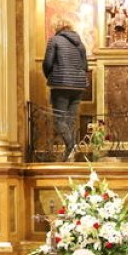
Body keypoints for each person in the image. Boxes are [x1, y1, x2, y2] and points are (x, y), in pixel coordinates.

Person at [42, 18, 90, 158]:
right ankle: (70, 154)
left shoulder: (54, 40)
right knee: (70, 120)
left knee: (59, 120)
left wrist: (50, 76)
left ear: (56, 27)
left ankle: (71, 146)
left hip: (61, 84)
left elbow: (48, 63)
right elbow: (85, 67)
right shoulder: (80, 44)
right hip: (79, 85)